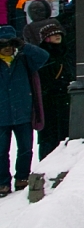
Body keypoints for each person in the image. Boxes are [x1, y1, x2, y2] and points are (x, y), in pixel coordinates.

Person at [0, 25, 48, 195]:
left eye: (10, 43)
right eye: (3, 43)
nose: (7, 47)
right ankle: (2, 182)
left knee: (26, 149)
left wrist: (24, 46)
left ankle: (22, 177)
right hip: (2, 115)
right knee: (1, 151)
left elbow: (44, 57)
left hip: (23, 113)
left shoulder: (24, 59)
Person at [27, 18, 67, 156]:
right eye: (54, 34)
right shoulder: (43, 57)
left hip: (63, 101)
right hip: (48, 103)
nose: (58, 36)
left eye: (59, 34)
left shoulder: (64, 52)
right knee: (49, 138)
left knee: (63, 134)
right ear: (46, 39)